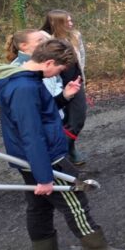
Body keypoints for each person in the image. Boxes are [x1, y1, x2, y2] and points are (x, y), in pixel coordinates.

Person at [0, 38, 125, 250]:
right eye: (58, 69)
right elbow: (31, 133)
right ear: (47, 62)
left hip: (32, 158)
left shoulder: (24, 80)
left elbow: (40, 113)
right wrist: (44, 176)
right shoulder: (24, 88)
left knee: (39, 208)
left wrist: (63, 97)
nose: (59, 74)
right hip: (46, 158)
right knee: (75, 201)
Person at [41, 10, 88, 165]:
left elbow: (81, 56)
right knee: (61, 118)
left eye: (70, 20)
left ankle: (68, 147)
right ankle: (62, 155)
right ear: (56, 23)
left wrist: (82, 78)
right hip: (55, 84)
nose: (71, 24)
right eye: (67, 21)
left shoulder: (75, 36)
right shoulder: (45, 40)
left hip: (75, 82)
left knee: (77, 118)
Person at [6, 29, 79, 117]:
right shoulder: (19, 73)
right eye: (40, 40)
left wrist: (64, 96)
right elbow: (28, 117)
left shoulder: (48, 64)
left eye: (44, 39)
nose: (45, 42)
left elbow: (47, 104)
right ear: (24, 46)